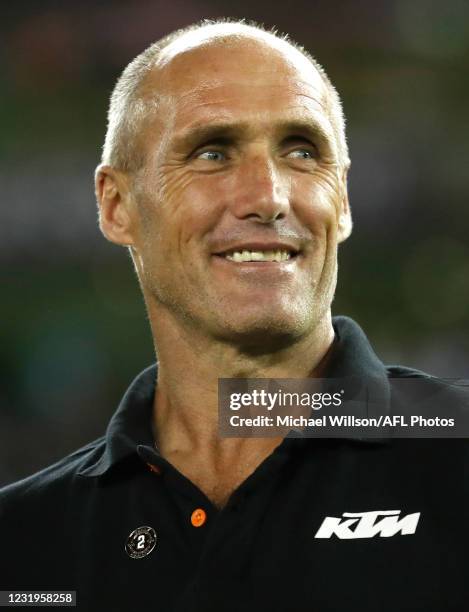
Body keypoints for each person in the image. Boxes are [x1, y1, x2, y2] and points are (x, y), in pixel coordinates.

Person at [0, 19, 467, 612]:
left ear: (343, 200)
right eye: (213, 152)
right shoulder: (22, 540)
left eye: (301, 151)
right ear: (117, 207)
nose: (269, 197)